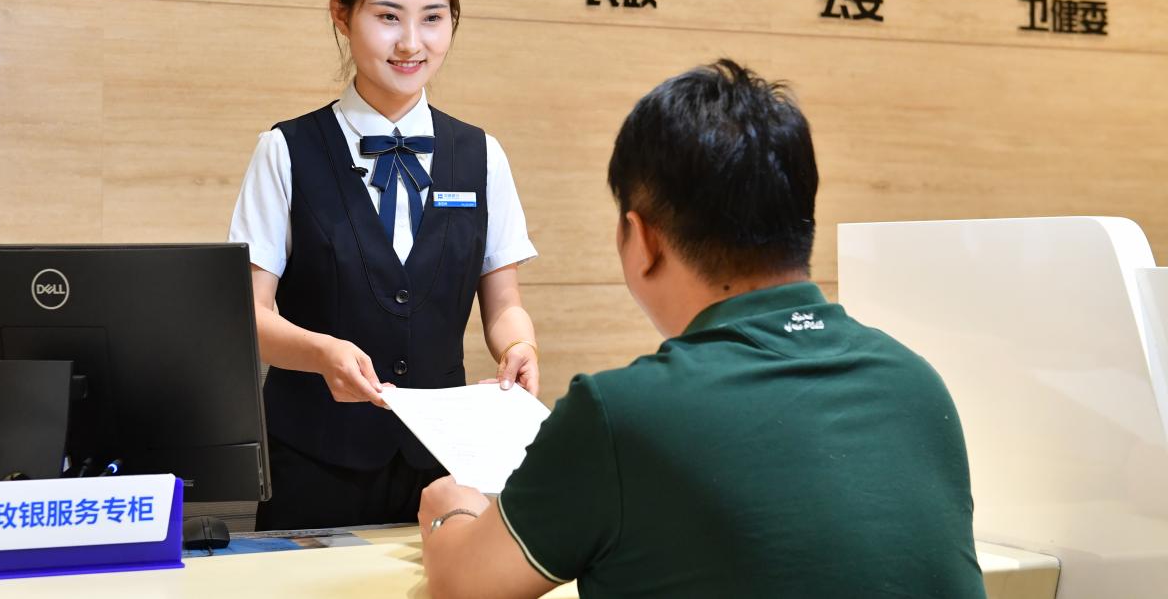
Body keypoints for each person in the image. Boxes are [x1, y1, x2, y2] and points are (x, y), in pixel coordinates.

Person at [418, 60, 987, 599]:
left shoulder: (620, 415)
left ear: (642, 239)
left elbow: (465, 585)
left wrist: (452, 507)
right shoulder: (916, 384)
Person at [229, 0, 540, 531]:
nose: (411, 43)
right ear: (342, 16)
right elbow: (249, 316)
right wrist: (320, 352)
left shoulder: (481, 155)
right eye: (388, 17)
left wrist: (519, 347)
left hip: (444, 467)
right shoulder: (284, 151)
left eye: (433, 18)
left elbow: (504, 305)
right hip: (312, 462)